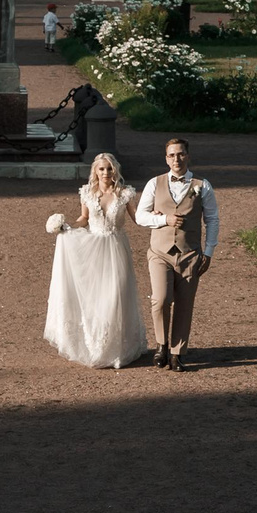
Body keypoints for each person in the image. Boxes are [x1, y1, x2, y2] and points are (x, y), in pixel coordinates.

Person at [44, 152, 150, 368]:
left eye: (109, 168)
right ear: (95, 171)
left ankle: (118, 349)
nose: (106, 172)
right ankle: (98, 348)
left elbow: (137, 218)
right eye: (101, 169)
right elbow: (84, 218)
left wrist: (158, 219)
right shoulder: (87, 193)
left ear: (115, 170)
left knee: (117, 294)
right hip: (93, 248)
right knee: (96, 297)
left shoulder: (125, 194)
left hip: (116, 247)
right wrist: (68, 227)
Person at [135, 139, 218, 371]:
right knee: (160, 299)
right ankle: (161, 345)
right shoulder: (155, 183)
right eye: (171, 155)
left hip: (190, 253)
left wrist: (208, 251)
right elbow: (141, 217)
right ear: (166, 158)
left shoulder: (203, 186)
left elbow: (212, 220)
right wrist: (163, 219)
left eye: (180, 154)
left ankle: (177, 353)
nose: (176, 159)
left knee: (184, 304)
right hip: (160, 252)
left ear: (188, 156)